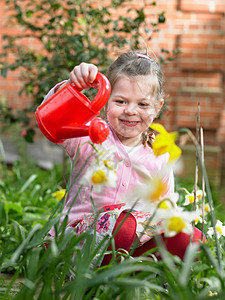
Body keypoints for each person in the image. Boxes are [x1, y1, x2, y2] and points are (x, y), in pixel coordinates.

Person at [42, 51, 205, 265]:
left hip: (130, 247)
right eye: (120, 101)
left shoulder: (159, 153)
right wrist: (73, 86)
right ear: (106, 99)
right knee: (123, 224)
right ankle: (92, 279)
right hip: (79, 244)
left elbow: (165, 207)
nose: (130, 111)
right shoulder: (89, 133)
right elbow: (50, 117)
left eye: (143, 104)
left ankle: (137, 275)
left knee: (191, 238)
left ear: (158, 107)